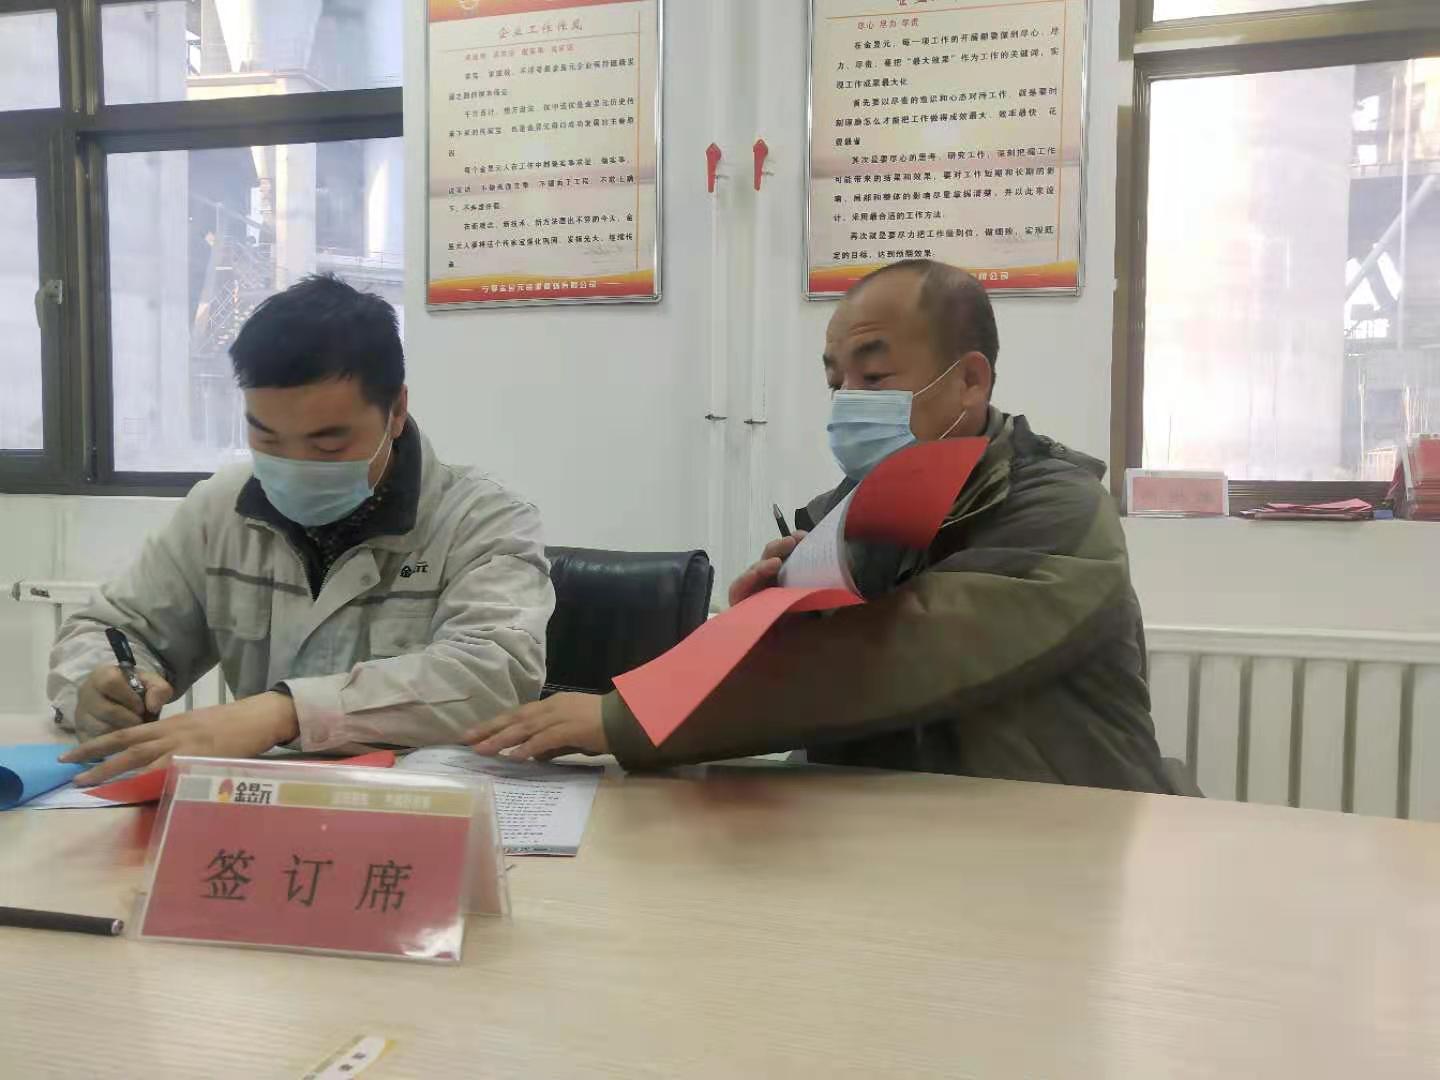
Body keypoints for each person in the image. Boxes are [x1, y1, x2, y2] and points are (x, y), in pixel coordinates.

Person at [465, 259, 1181, 794]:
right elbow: (818, 669)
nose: (846, 401)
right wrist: (771, 618)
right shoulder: (844, 514)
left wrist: (625, 719)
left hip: (1054, 837)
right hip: (878, 834)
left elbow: (889, 660)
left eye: (874, 378)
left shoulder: (1059, 512)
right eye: (836, 380)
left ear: (970, 380)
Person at [54, 275, 554, 785]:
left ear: (397, 411)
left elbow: (493, 675)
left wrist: (286, 713)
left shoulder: (481, 518)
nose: (295, 465)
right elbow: (110, 629)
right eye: (266, 438)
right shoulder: (220, 509)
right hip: (260, 801)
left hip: (417, 805)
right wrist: (100, 685)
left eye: (328, 444)